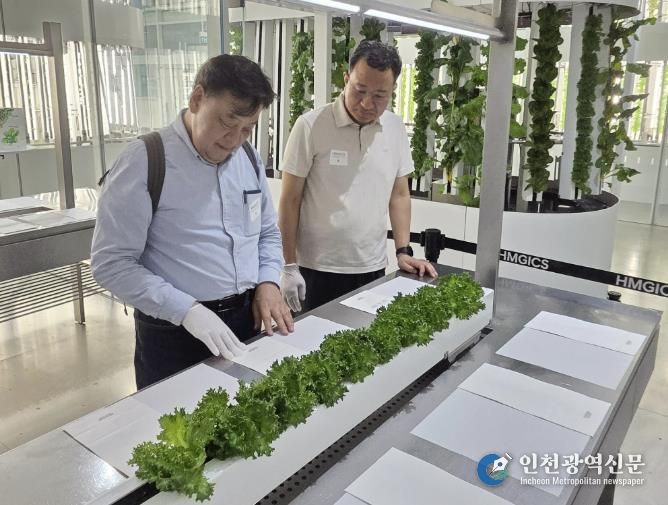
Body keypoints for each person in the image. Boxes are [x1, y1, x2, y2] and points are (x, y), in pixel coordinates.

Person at [91, 55, 293, 389]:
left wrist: (268, 282)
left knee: (245, 412)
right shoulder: (146, 160)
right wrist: (187, 310)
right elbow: (111, 263)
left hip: (246, 318)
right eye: (227, 122)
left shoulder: (247, 157)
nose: (234, 139)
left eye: (247, 129)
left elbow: (266, 233)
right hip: (174, 330)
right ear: (197, 98)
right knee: (177, 419)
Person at [279, 40, 438, 314]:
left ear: (393, 90)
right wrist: (288, 265)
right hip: (316, 268)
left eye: (379, 95)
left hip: (371, 267)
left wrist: (403, 251)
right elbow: (289, 199)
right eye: (359, 90)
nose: (366, 103)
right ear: (346, 78)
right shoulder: (310, 126)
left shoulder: (395, 128)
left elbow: (399, 194)